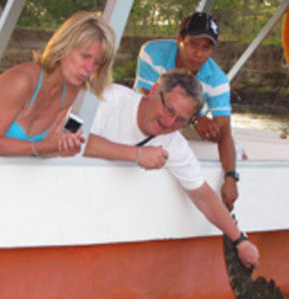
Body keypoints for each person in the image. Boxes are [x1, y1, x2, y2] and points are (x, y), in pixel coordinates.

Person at [85, 70, 259, 270]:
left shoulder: (173, 142)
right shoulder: (110, 98)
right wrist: (137, 154)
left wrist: (240, 240)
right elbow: (67, 138)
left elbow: (202, 194)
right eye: (168, 110)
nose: (169, 123)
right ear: (153, 91)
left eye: (180, 121)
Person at [0, 12, 115, 157]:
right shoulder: (23, 80)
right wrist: (45, 148)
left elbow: (48, 148)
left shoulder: (70, 91)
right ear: (64, 47)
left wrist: (64, 148)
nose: (90, 68)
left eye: (97, 63)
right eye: (85, 56)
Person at [134, 11, 242, 212]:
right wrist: (196, 118)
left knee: (221, 133)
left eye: (206, 47)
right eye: (193, 44)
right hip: (145, 117)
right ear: (179, 40)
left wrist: (231, 177)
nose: (199, 53)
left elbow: (225, 132)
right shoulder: (152, 53)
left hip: (181, 123)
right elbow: (153, 103)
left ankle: (235, 163)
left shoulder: (217, 80)